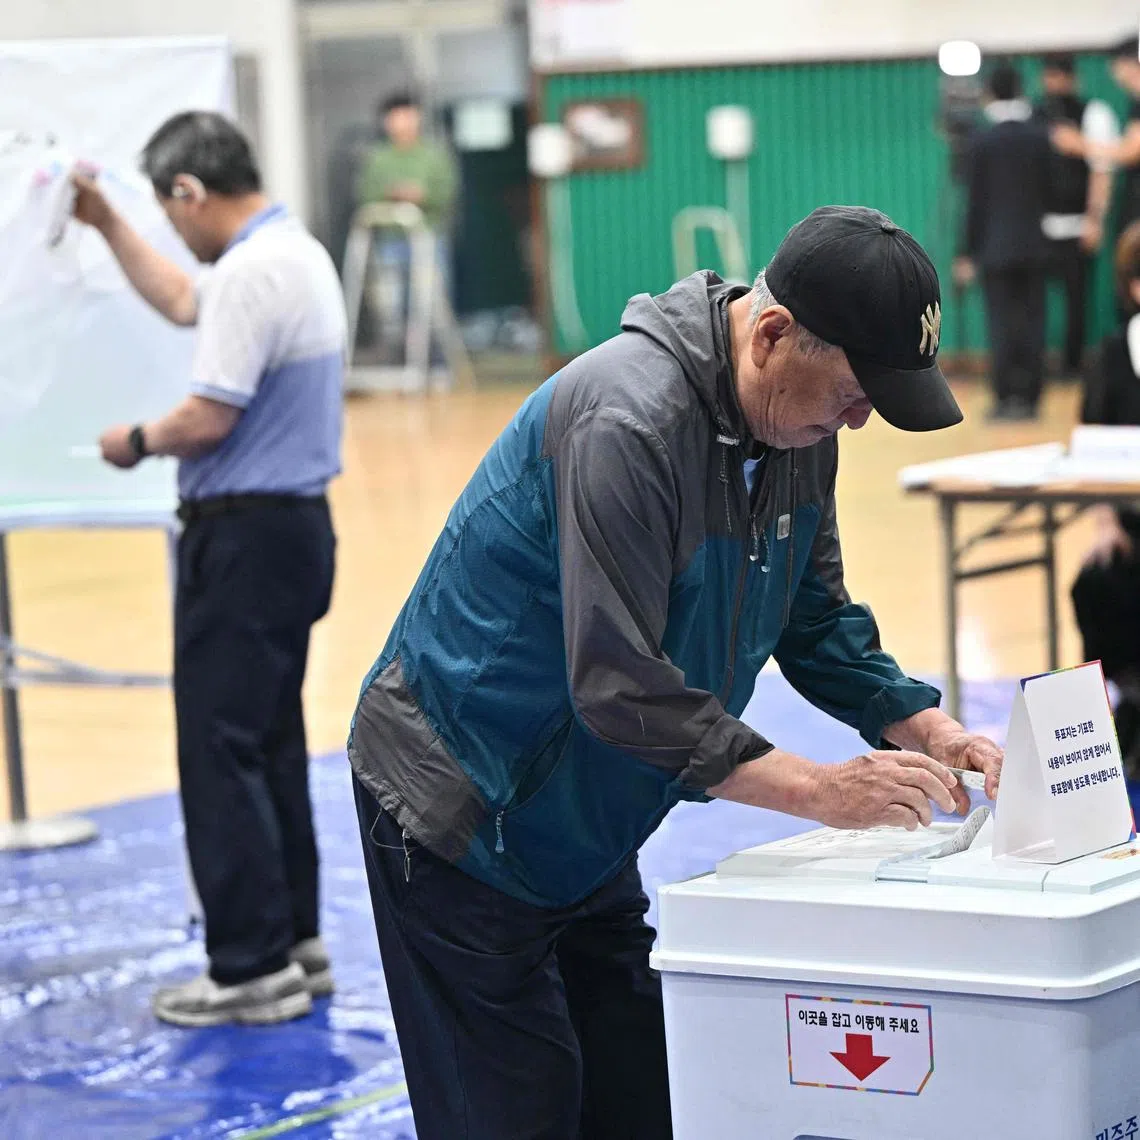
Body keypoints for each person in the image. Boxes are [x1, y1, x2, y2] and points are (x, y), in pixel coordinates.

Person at [348, 204, 1003, 1139]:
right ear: (772, 336)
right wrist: (824, 790)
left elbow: (814, 619)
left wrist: (927, 726)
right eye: (856, 395)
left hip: (589, 807)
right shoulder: (628, 420)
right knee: (516, 1108)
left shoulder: (793, 430)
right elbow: (617, 683)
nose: (857, 424)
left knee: (636, 1097)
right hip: (463, 805)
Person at [71, 112, 345, 1026]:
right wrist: (108, 223)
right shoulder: (289, 256)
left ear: (189, 193)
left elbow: (209, 416)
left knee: (219, 752)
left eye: (164, 211)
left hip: (244, 539)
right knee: (264, 743)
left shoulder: (255, 273)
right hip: (293, 533)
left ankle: (247, 968)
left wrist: (136, 440)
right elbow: (190, 301)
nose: (173, 230)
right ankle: (294, 943)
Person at [1071, 219, 1140, 776]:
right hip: (1130, 527)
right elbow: (1091, 450)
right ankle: (1117, 713)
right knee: (1094, 584)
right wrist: (1102, 524)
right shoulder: (1110, 357)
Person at [954, 61, 1053, 421]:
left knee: (1000, 323)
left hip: (993, 247)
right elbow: (1051, 189)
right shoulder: (1040, 135)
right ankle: (1031, 399)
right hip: (1035, 244)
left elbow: (974, 202)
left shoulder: (980, 140)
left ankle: (1004, 397)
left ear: (990, 93)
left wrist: (965, 252)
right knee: (1033, 322)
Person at [356, 90, 458, 369]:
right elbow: (366, 194)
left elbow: (446, 193)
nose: (402, 121)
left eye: (407, 114)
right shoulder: (378, 159)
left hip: (427, 239)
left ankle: (438, 369)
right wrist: (393, 193)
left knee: (432, 306)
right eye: (395, 116)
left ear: (418, 118)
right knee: (391, 311)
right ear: (386, 121)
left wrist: (420, 196)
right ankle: (397, 370)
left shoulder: (433, 157)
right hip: (389, 241)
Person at [1034, 52, 1114, 375]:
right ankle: (1038, 365)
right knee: (1033, 303)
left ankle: (1072, 364)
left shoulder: (1091, 112)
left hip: (1078, 223)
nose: (1053, 83)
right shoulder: (1035, 115)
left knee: (1077, 302)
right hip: (1040, 227)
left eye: (1059, 75)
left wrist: (1095, 218)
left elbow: (1102, 170)